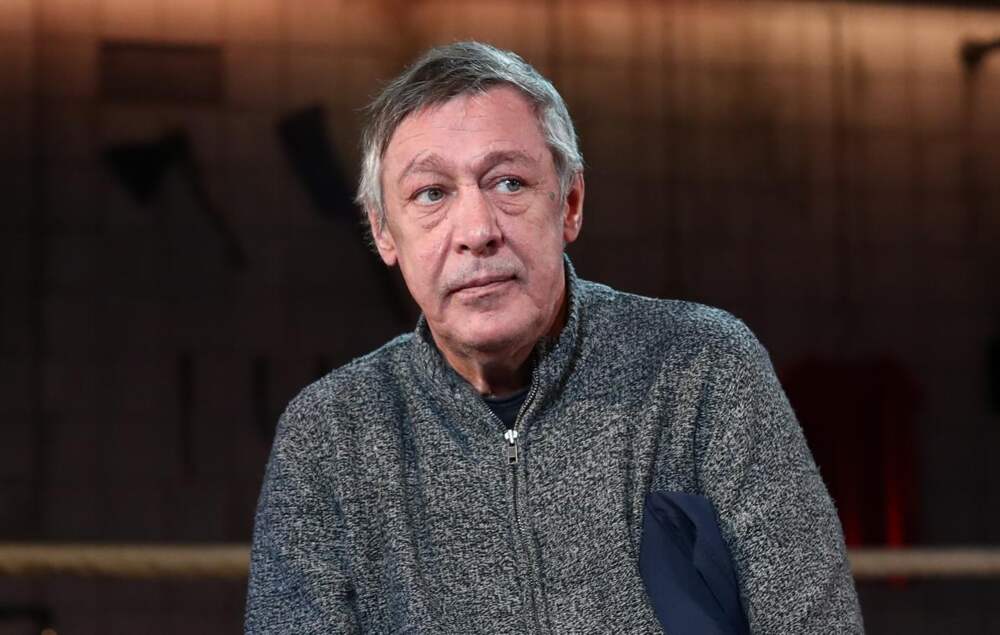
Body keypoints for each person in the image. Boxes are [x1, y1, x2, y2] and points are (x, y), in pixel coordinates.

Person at [245, 42, 863, 634]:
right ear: (384, 232)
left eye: (508, 183)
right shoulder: (328, 435)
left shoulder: (704, 368)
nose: (477, 231)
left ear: (569, 203)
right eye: (431, 194)